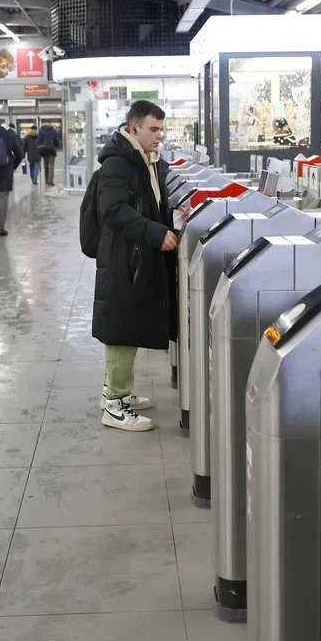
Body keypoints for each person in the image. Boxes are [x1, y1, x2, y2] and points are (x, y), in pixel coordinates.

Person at [90, 100, 177, 432]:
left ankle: (117, 393)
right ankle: (114, 405)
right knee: (121, 330)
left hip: (135, 254)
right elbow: (113, 211)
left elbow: (149, 204)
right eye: (153, 129)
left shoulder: (145, 159)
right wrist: (156, 233)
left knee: (129, 325)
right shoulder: (119, 163)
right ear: (133, 128)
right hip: (123, 256)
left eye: (161, 130)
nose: (159, 136)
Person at [38, 121, 63, 187]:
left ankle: (46, 180)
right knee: (51, 166)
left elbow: (38, 141)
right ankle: (50, 181)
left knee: (45, 166)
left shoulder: (41, 131)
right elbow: (57, 141)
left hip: (44, 150)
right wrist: (56, 145)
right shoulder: (54, 131)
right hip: (52, 150)